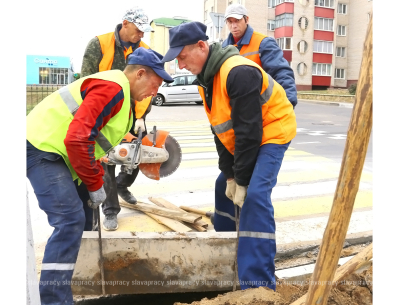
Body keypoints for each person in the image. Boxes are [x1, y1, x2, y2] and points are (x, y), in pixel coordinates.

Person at [26, 48, 173, 304]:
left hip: (59, 152)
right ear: (140, 73)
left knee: (83, 219)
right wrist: (95, 183)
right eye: (155, 83)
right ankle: (54, 299)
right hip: (41, 147)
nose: (154, 91)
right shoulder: (112, 89)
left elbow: (95, 139)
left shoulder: (122, 96)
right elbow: (77, 138)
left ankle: (72, 283)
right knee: (70, 219)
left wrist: (96, 176)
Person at [162, 22, 296, 291]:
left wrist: (243, 181)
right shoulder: (207, 79)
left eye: (183, 57)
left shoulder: (238, 72)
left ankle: (257, 286)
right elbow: (221, 131)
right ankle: (226, 251)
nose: (181, 65)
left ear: (201, 46)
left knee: (255, 196)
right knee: (222, 186)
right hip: (249, 137)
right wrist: (232, 176)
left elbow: (249, 133)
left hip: (272, 132)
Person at [81, 7, 155, 230]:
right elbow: (85, 81)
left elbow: (148, 85)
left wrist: (140, 117)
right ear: (125, 24)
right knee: (107, 162)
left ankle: (123, 185)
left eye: (144, 31)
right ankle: (111, 210)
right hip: (104, 113)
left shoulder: (145, 50)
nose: (141, 35)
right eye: (138, 30)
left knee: (136, 155)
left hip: (132, 113)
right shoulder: (99, 44)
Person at [223, 3, 297, 108]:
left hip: (260, 109)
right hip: (234, 110)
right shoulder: (224, 48)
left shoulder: (263, 43)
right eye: (230, 22)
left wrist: (288, 103)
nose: (233, 26)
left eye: (237, 20)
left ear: (246, 19)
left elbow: (282, 73)